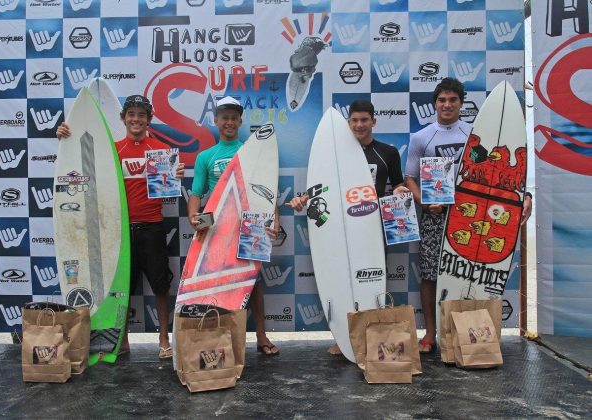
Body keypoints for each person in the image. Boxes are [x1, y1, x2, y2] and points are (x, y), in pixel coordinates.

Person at [404, 77, 532, 354]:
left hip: (471, 216)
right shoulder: (421, 137)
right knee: (429, 275)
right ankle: (430, 333)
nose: (447, 105)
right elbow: (410, 178)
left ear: (461, 103)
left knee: (466, 275)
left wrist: (526, 195)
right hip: (434, 217)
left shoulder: (475, 136)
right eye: (442, 100)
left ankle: (465, 332)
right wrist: (426, 202)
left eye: (453, 100)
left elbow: (493, 176)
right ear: (435, 104)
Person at [56, 94, 185, 360]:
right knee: (122, 288)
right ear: (123, 118)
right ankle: (120, 342)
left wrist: (176, 175)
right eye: (131, 115)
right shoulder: (113, 150)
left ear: (149, 120)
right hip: (120, 232)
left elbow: (167, 191)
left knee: (161, 286)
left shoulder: (160, 150)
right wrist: (65, 136)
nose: (136, 119)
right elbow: (81, 163)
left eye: (141, 115)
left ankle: (164, 339)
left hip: (153, 228)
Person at [287, 99, 406, 355]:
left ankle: (372, 338)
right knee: (341, 281)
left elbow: (396, 184)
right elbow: (322, 189)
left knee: (371, 281)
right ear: (348, 122)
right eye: (354, 120)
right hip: (339, 230)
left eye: (364, 120)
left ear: (374, 121)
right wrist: (302, 199)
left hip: (372, 230)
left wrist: (400, 190)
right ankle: (346, 339)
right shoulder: (333, 156)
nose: (359, 125)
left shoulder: (388, 153)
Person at [188, 96, 281, 356]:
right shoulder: (206, 156)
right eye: (224, 117)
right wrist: (193, 216)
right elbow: (196, 193)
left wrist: (274, 220)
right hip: (217, 229)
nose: (229, 122)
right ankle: (218, 338)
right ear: (216, 121)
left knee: (253, 284)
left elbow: (267, 192)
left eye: (233, 118)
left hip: (249, 227)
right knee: (215, 284)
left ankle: (261, 335)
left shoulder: (251, 152)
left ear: (240, 121)